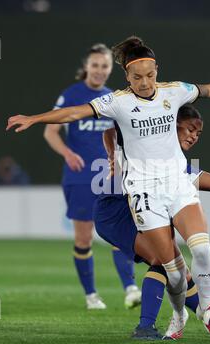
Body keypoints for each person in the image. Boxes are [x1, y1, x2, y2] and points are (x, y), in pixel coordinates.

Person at [6, 36, 210, 337]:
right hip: (143, 193)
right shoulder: (118, 102)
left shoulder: (173, 92)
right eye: (137, 77)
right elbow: (75, 113)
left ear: (157, 70)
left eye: (150, 75)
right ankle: (181, 316)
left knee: (202, 251)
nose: (145, 82)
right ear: (127, 77)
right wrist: (34, 118)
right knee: (172, 269)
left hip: (177, 183)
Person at [93, 103, 210, 340]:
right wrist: (112, 155)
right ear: (170, 126)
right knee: (162, 260)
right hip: (115, 211)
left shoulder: (179, 168)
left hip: (144, 208)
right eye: (189, 129)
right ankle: (147, 326)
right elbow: (111, 130)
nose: (194, 136)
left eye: (198, 133)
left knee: (177, 268)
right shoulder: (140, 143)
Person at [43, 43, 141, 310]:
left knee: (120, 233)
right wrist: (67, 153)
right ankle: (91, 296)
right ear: (86, 67)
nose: (99, 71)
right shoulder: (72, 95)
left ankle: (131, 288)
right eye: (95, 65)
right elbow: (50, 132)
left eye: (105, 66)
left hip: (110, 176)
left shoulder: (113, 97)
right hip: (79, 177)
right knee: (84, 239)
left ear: (111, 69)